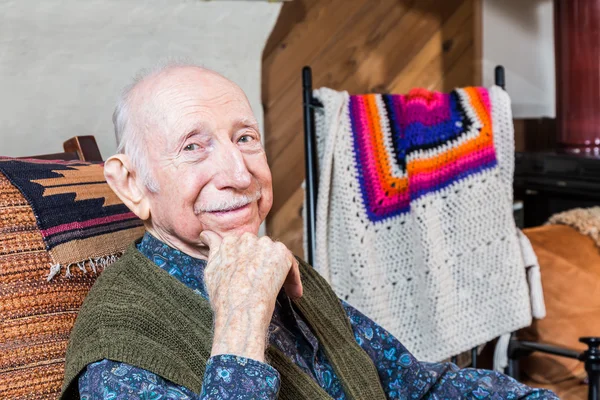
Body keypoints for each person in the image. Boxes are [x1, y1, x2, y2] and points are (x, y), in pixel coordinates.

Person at [60, 63, 557, 399]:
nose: (239, 174)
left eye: (245, 138)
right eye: (194, 146)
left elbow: (415, 384)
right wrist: (240, 323)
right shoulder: (119, 345)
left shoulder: (279, 268)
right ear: (131, 185)